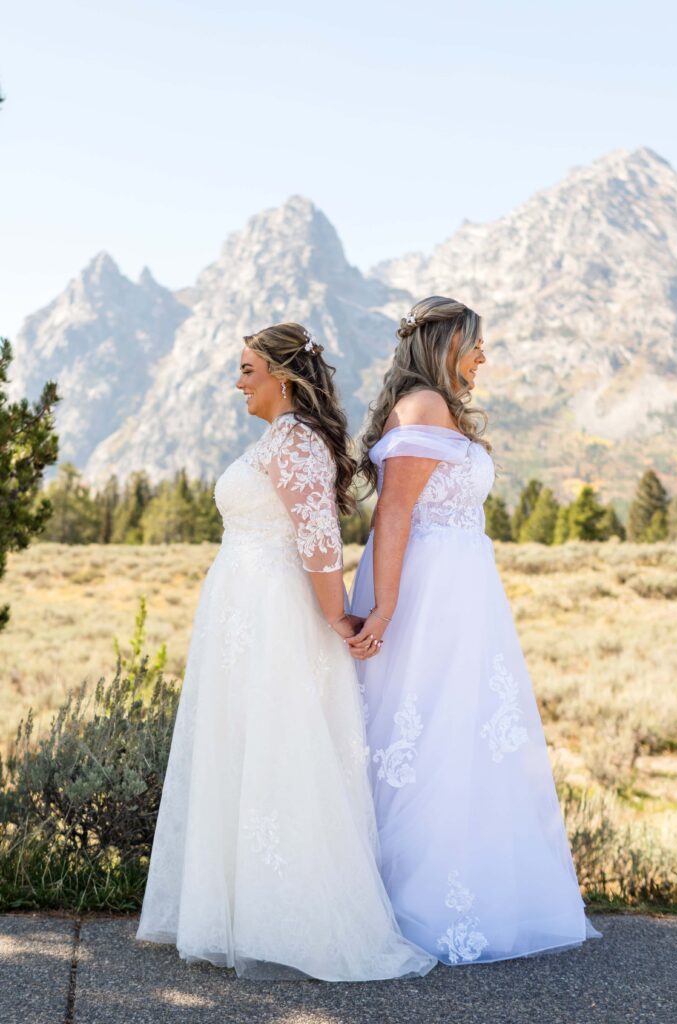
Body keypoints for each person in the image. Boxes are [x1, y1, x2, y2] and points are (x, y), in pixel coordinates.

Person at [135, 322, 435, 981]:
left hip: (275, 617)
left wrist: (337, 618)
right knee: (240, 748)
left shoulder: (297, 442)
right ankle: (239, 910)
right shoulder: (276, 440)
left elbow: (318, 540)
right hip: (242, 610)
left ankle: (291, 918)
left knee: (278, 748)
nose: (237, 382)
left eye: (247, 370)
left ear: (282, 377)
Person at [349, 297, 601, 964]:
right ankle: (417, 903)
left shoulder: (432, 406)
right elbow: (395, 514)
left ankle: (465, 890)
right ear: (441, 346)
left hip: (459, 587)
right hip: (429, 594)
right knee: (428, 729)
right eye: (474, 344)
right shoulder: (424, 407)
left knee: (460, 732)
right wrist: (384, 610)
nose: (483, 357)